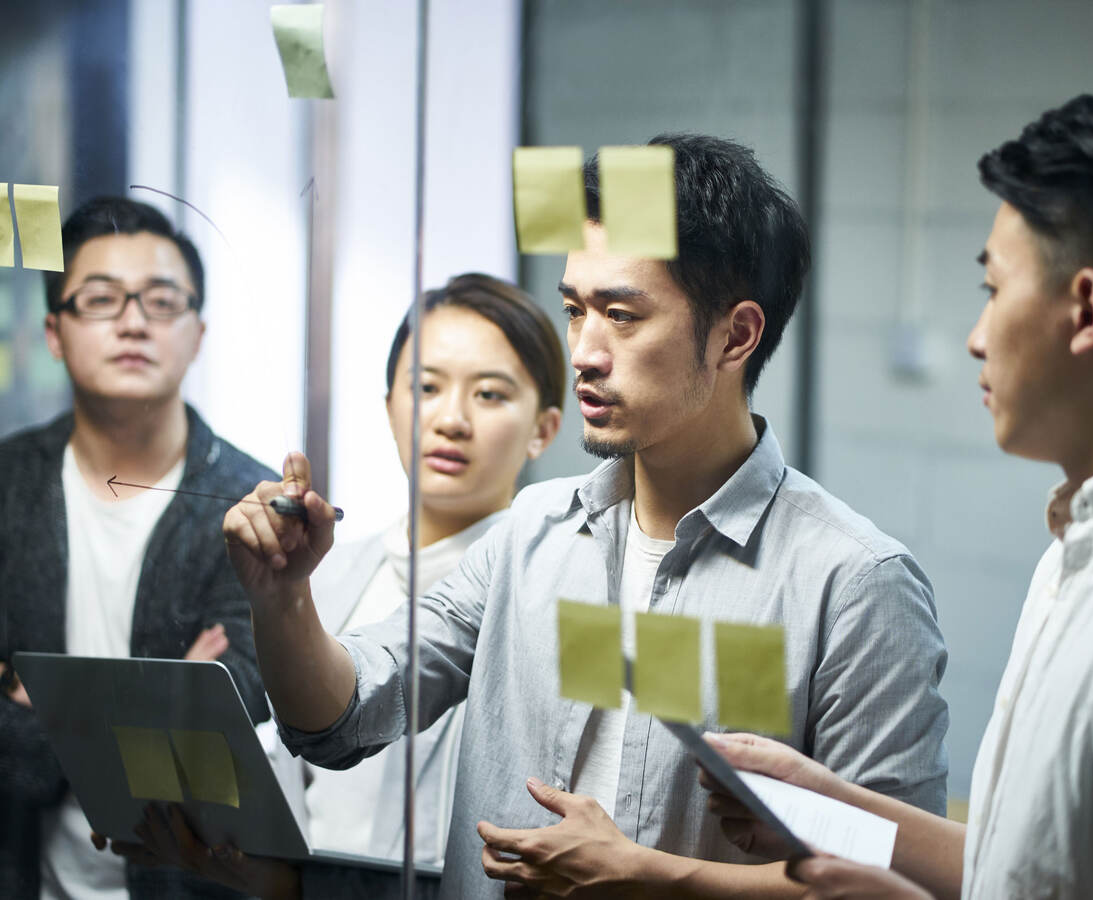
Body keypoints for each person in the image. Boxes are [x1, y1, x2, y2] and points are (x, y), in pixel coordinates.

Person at [222, 134, 949, 897]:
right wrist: (283, 597)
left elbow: (890, 882)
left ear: (736, 335)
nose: (584, 353)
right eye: (574, 310)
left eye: (623, 316)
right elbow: (342, 717)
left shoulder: (854, 584)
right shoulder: (532, 532)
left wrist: (654, 881)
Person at [700, 89, 1093, 900]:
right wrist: (827, 805)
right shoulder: (1086, 545)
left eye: (994, 290)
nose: (976, 335)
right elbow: (1033, 869)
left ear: (1084, 309)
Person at [110, 274, 565, 899]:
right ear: (389, 407)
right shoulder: (321, 572)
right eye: (425, 387)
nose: (451, 419)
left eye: (489, 394)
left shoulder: (553, 592)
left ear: (544, 428)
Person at [0, 197, 274, 900]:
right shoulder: (7, 484)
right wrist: (165, 697)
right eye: (99, 299)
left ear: (198, 332)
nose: (131, 322)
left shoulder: (248, 502)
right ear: (55, 333)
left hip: (191, 884)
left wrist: (51, 706)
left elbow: (241, 702)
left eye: (160, 301)